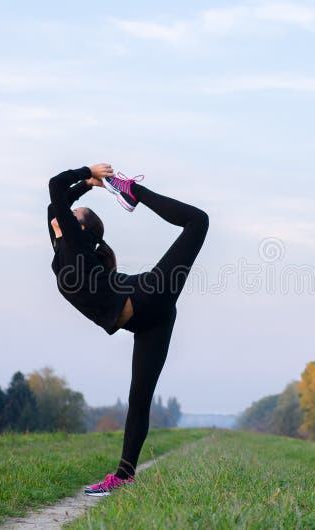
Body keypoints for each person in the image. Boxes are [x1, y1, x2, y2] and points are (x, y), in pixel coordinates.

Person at [47, 163, 209, 496]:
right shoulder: (63, 248)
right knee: (139, 398)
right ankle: (124, 476)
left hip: (149, 294)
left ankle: (133, 192)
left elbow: (54, 188)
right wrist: (88, 184)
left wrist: (86, 171)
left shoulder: (75, 246)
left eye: (73, 213)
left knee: (198, 221)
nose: (65, 213)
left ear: (79, 229)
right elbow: (56, 202)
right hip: (148, 319)